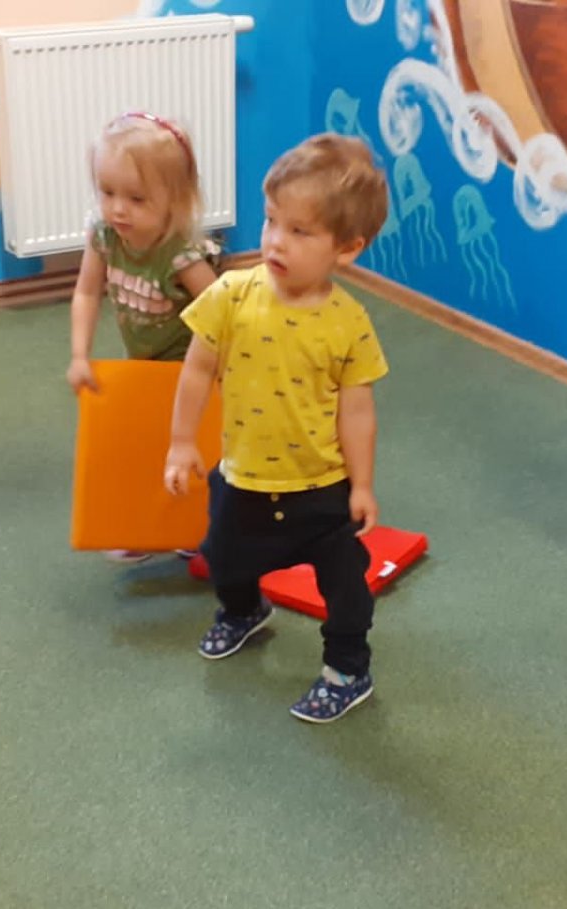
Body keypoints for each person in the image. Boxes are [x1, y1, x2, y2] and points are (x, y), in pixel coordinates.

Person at [165, 134, 390, 723]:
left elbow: (357, 411)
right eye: (271, 220)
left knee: (346, 587)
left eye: (300, 231)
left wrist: (363, 485)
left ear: (347, 248)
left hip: (321, 487)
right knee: (223, 560)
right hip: (243, 478)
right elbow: (197, 370)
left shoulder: (349, 323)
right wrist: (182, 442)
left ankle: (348, 670)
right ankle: (244, 610)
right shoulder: (230, 295)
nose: (275, 241)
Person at [66, 112, 218, 563]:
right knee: (140, 446)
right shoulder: (105, 237)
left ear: (175, 199)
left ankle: (195, 529)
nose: (117, 209)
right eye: (107, 192)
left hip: (189, 372)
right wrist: (79, 354)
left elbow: (223, 312)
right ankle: (143, 529)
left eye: (136, 198)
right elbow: (86, 292)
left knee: (190, 448)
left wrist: (223, 371)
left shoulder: (181, 255)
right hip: (144, 365)